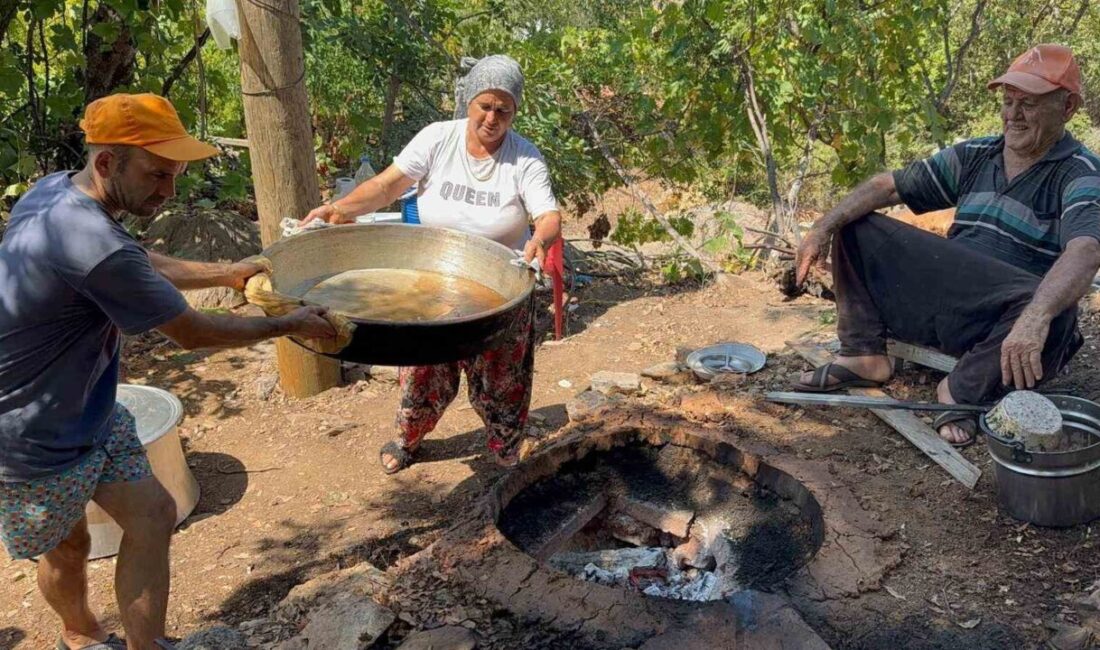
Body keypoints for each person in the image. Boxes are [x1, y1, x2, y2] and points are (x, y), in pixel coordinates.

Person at [0, 93, 336, 650]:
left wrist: (226, 273)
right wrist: (288, 325)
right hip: (28, 431)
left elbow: (135, 261)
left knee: (154, 514)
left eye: (175, 175)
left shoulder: (57, 190)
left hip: (92, 406)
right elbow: (193, 333)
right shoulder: (89, 238)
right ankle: (79, 634)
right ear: (106, 162)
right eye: (157, 174)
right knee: (67, 546)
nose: (168, 191)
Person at [791, 44, 1100, 447]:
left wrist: (1036, 316)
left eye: (1028, 104)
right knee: (855, 223)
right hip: (945, 305)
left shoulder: (1080, 171)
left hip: (1004, 328)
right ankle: (862, 353)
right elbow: (890, 185)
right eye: (1008, 102)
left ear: (1068, 107)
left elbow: (1086, 249)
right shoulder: (976, 154)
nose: (1013, 115)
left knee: (1056, 312)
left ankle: (959, 391)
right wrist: (822, 227)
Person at [303, 55, 563, 473]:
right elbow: (388, 185)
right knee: (423, 373)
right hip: (434, 282)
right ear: (468, 102)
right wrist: (339, 210)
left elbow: (548, 215)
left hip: (500, 289)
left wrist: (538, 239)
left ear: (515, 111)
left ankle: (505, 445)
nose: (492, 118)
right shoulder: (437, 139)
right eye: (485, 105)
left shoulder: (525, 158)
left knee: (503, 379)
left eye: (504, 110)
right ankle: (409, 439)